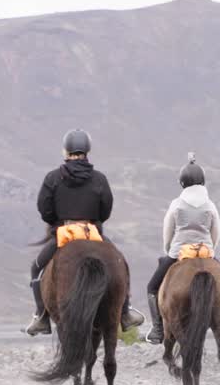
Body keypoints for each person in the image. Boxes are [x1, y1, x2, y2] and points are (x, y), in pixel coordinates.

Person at [24, 128, 145, 336]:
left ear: (65, 151)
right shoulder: (99, 179)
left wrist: (58, 223)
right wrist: (92, 222)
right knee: (120, 264)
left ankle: (41, 316)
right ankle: (125, 312)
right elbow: (106, 209)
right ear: (88, 149)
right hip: (92, 233)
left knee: (36, 269)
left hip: (63, 234)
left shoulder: (52, 178)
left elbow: (44, 208)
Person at [145, 154, 220, 345]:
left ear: (182, 183)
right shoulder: (210, 205)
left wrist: (168, 250)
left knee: (153, 287)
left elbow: (167, 230)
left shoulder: (176, 204)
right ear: (203, 181)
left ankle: (157, 329)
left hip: (179, 252)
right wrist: (211, 250)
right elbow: (216, 230)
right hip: (206, 251)